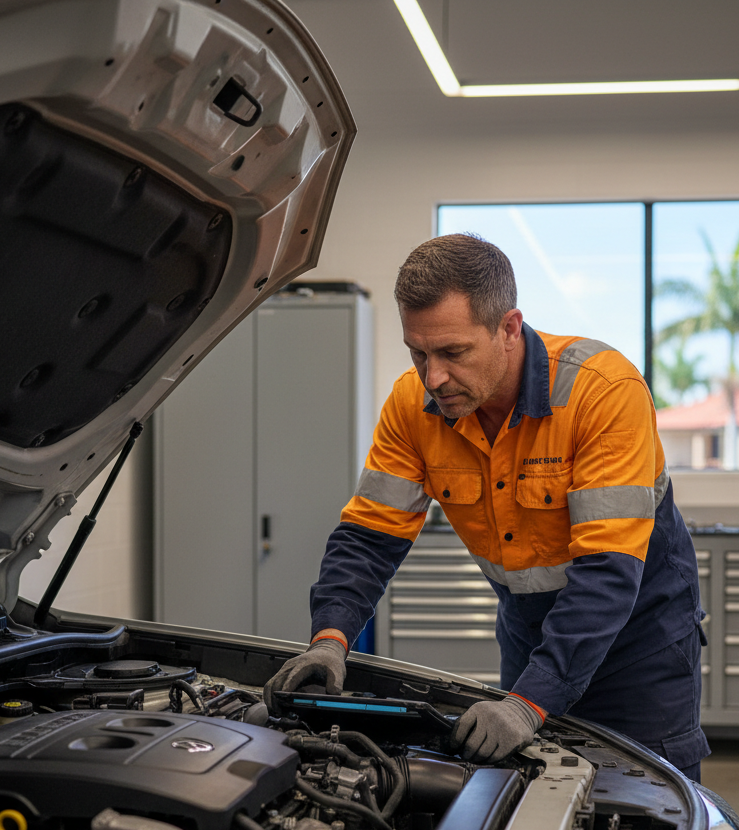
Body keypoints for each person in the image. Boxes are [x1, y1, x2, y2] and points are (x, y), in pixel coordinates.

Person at [268, 234, 709, 781]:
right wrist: (330, 641)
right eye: (419, 352)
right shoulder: (414, 405)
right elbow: (369, 537)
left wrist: (528, 704)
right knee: (531, 796)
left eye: (453, 352)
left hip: (638, 644)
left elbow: (607, 573)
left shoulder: (602, 391)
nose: (433, 378)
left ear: (508, 327)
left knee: (647, 808)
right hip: (530, 635)